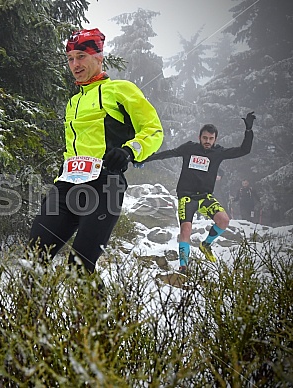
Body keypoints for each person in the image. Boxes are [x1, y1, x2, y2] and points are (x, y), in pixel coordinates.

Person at [27, 28, 164, 275]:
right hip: (67, 186)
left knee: (79, 267)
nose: (74, 64)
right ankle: (28, 315)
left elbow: (153, 130)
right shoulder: (73, 102)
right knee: (33, 259)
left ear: (98, 57)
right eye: (70, 58)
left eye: (81, 56)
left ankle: (99, 315)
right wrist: (60, 178)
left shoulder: (122, 90)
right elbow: (73, 148)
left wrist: (129, 151)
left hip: (105, 186)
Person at [142, 112, 256, 273]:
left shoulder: (219, 152)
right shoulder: (190, 148)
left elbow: (244, 150)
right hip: (187, 196)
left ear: (215, 139)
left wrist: (249, 130)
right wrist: (145, 158)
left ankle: (206, 244)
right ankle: (183, 266)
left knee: (223, 220)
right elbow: (169, 153)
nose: (207, 141)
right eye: (204, 138)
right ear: (199, 137)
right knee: (186, 229)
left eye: (210, 139)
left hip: (205, 197)